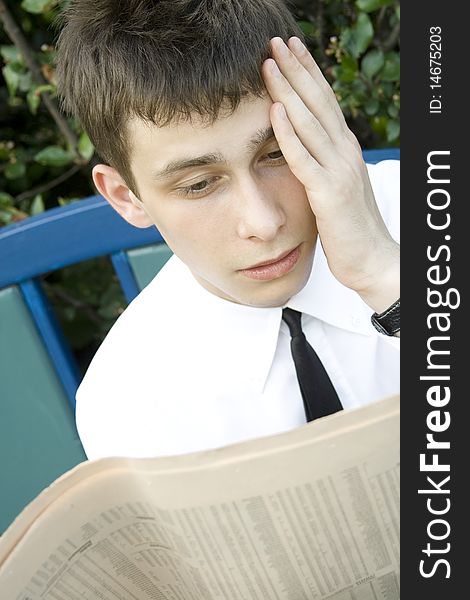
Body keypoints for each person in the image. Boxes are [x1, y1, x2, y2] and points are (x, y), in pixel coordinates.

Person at [56, 0, 400, 460]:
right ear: (126, 197)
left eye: (278, 154)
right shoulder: (129, 400)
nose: (264, 221)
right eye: (198, 185)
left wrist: (387, 278)